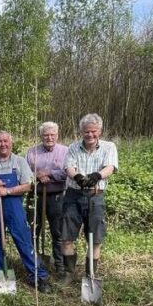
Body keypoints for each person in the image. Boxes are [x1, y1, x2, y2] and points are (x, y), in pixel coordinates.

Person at [0, 131, 51, 293]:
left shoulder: (19, 162)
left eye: (6, 141)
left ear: (11, 143)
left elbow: (28, 186)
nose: (3, 144)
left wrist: (7, 191)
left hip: (14, 207)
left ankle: (37, 274)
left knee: (23, 239)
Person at [60, 113, 118, 286]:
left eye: (93, 131)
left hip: (95, 196)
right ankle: (68, 273)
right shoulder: (73, 147)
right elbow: (68, 167)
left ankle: (90, 274)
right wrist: (77, 176)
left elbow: (111, 167)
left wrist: (97, 175)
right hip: (73, 196)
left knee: (95, 238)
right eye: (86, 131)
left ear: (99, 131)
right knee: (66, 236)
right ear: (81, 132)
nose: (90, 135)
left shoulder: (109, 147)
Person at [25, 122, 69, 277]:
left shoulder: (66, 151)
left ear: (57, 135)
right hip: (35, 196)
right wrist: (37, 175)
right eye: (46, 135)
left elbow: (68, 172)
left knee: (58, 232)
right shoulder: (32, 152)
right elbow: (25, 172)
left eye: (52, 135)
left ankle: (60, 266)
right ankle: (34, 264)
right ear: (41, 136)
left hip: (57, 197)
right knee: (33, 231)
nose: (49, 138)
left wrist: (49, 174)